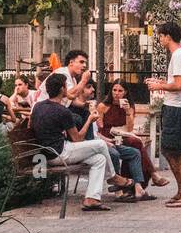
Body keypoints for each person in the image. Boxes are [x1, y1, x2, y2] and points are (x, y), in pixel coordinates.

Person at [30, 73, 131, 212]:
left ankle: (92, 199)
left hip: (45, 153)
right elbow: (78, 139)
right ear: (62, 89)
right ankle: (113, 177)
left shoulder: (38, 107)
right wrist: (89, 120)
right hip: (59, 153)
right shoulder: (62, 111)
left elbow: (31, 125)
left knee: (99, 159)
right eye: (66, 86)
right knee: (101, 145)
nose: (69, 89)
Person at [146, 22, 181, 208]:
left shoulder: (178, 56)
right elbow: (175, 82)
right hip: (174, 106)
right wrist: (161, 81)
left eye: (160, 36)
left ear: (168, 36)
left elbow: (178, 85)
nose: (159, 39)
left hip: (178, 108)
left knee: (178, 150)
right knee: (168, 149)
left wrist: (159, 86)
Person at [97, 80, 169, 188]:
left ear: (125, 92)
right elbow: (100, 127)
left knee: (135, 142)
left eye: (120, 91)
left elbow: (129, 128)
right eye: (114, 90)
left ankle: (136, 183)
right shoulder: (103, 106)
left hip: (123, 134)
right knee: (136, 143)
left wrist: (127, 111)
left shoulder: (129, 106)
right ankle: (151, 175)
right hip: (108, 136)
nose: (116, 93)